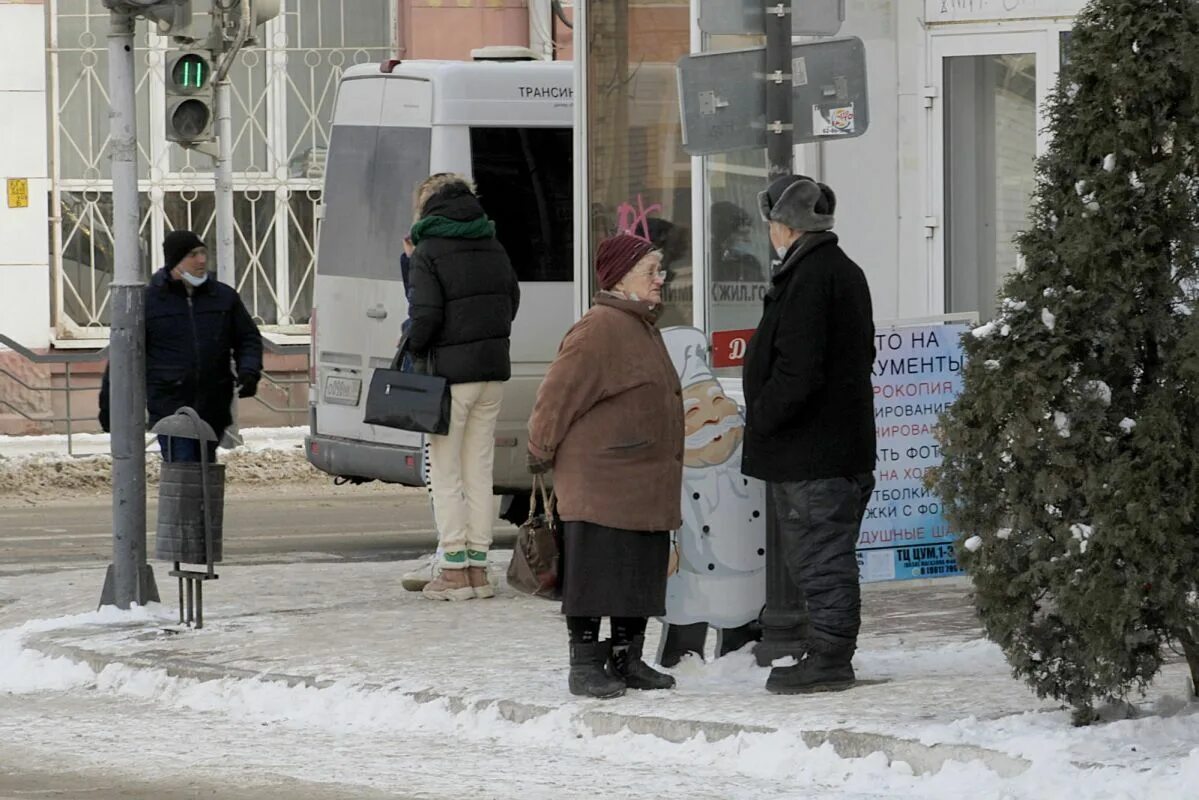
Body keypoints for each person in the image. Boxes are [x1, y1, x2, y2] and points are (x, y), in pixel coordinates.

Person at [527, 233, 684, 699]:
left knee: (636, 573)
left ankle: (627, 658)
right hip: (603, 481)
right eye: (651, 271)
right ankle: (586, 665)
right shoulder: (598, 328)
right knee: (596, 576)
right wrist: (539, 449)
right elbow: (555, 397)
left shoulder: (640, 324)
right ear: (620, 278)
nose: (662, 279)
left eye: (660, 269)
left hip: (641, 480)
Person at [741, 175, 876, 695]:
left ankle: (829, 659)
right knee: (826, 556)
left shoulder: (809, 278)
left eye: (772, 223)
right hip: (836, 447)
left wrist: (765, 417)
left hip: (812, 453)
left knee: (821, 560)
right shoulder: (841, 271)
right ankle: (828, 650)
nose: (771, 232)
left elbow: (798, 373)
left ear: (784, 226)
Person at [405, 174, 520, 602]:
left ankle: (454, 569)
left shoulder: (428, 250)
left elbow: (426, 317)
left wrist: (413, 346)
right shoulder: (492, 244)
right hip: (492, 373)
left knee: (445, 470)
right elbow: (512, 299)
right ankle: (478, 569)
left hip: (450, 377)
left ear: (427, 206)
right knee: (479, 470)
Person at [98, 230, 262, 462]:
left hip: (213, 404)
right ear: (175, 261)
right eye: (193, 254)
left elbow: (248, 338)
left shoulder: (223, 297)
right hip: (170, 405)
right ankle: (187, 499)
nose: (202, 260)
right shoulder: (149, 301)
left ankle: (201, 500)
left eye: (203, 253)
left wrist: (249, 371)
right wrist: (109, 406)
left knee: (205, 471)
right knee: (183, 469)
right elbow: (123, 356)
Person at [710, 201, 766, 283]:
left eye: (748, 234)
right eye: (742, 234)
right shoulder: (709, 265)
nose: (748, 239)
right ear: (724, 237)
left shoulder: (751, 265)